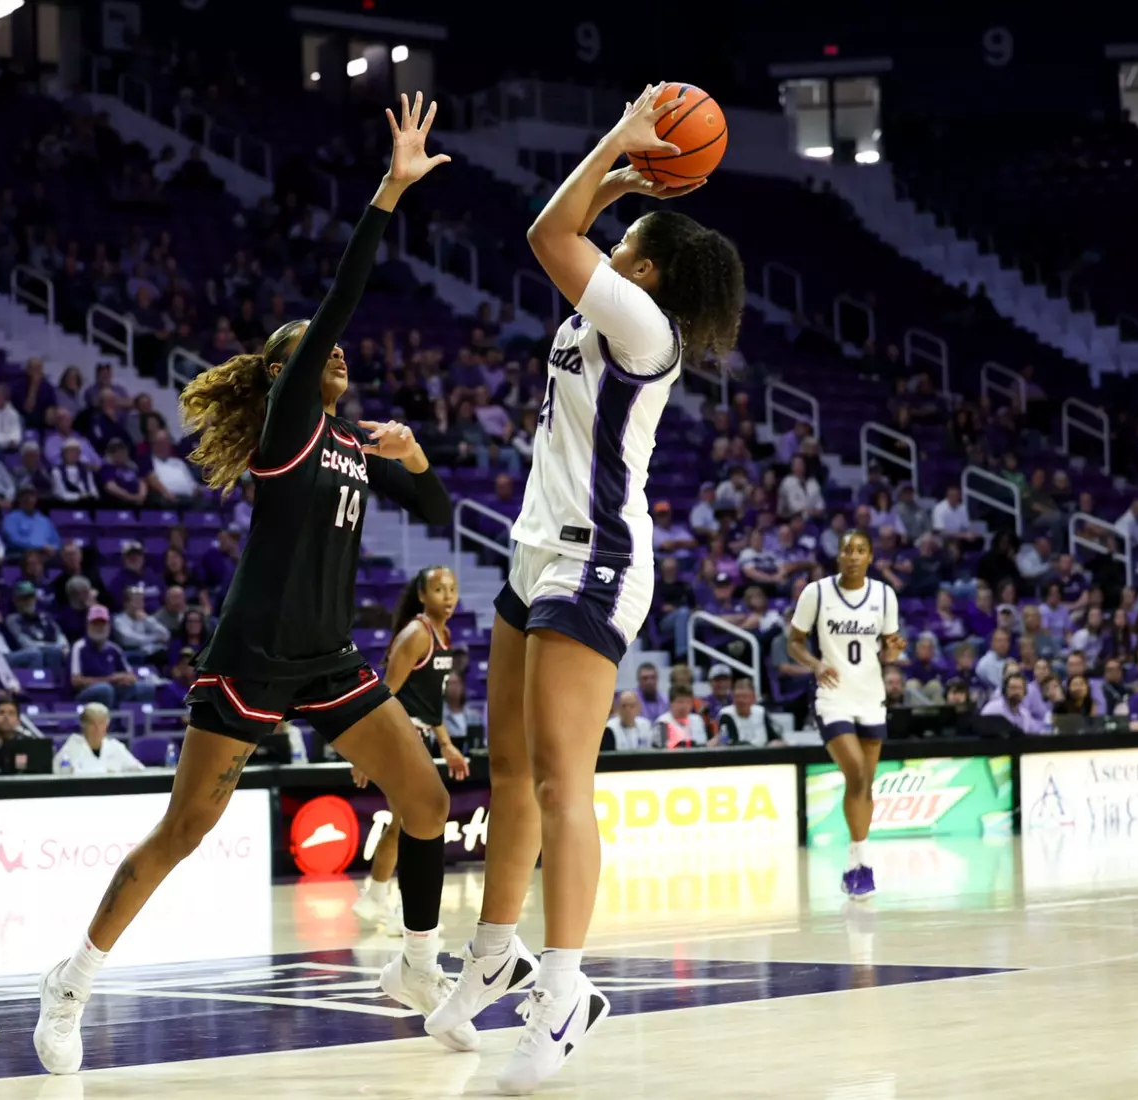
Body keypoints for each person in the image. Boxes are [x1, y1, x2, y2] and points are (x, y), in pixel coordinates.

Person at [33, 92, 458, 1076]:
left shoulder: (351, 438)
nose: (336, 349)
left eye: (335, 348)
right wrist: (388, 195)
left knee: (429, 800)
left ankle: (418, 965)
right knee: (184, 828)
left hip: (331, 657)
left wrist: (421, 460)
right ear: (286, 372)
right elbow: (344, 297)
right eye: (315, 347)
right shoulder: (289, 427)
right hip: (252, 660)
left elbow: (435, 521)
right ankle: (72, 978)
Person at [426, 85, 745, 1093]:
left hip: (595, 562)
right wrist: (624, 176)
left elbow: (543, 229)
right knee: (510, 773)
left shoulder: (645, 326)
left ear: (642, 268)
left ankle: (565, 992)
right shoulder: (610, 304)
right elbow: (570, 227)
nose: (603, 241)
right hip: (534, 551)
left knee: (566, 781)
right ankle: (495, 953)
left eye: (623, 236)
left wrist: (614, 143)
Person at [785, 530, 903, 899]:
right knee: (855, 771)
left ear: (870, 557)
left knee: (865, 781)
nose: (853, 556)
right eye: (847, 550)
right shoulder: (816, 593)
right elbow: (794, 642)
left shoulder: (884, 595)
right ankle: (863, 862)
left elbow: (890, 654)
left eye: (861, 550)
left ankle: (856, 863)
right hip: (832, 696)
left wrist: (897, 651)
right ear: (837, 556)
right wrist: (816, 665)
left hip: (871, 695)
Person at [349, 566, 468, 932]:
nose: (447, 596)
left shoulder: (442, 635)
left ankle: (376, 898)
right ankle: (402, 907)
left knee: (403, 824)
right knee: (418, 824)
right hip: (400, 737)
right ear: (421, 595)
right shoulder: (417, 634)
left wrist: (447, 744)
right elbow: (384, 695)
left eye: (452, 588)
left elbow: (428, 704)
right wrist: (367, 751)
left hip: (419, 735)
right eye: (437, 589)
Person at [53, 702, 143, 775]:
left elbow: (138, 770)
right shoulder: (71, 748)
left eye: (101, 723)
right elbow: (60, 774)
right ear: (83, 725)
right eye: (92, 724)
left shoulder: (115, 746)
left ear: (107, 725)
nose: (97, 729)